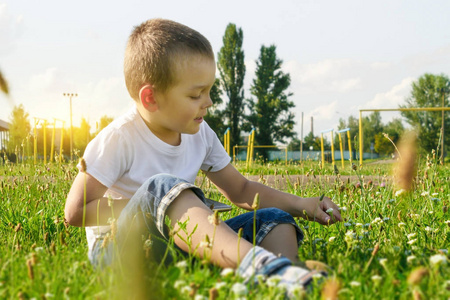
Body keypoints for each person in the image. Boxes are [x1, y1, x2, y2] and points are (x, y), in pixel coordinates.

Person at [64, 18, 342, 295]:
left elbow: (241, 189)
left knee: (274, 219)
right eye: (197, 94)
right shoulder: (119, 138)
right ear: (151, 98)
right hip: (124, 253)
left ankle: (286, 277)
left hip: (183, 246)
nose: (208, 102)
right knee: (162, 188)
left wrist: (301, 204)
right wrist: (159, 208)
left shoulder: (200, 133)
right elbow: (75, 211)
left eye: (209, 91)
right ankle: (262, 267)